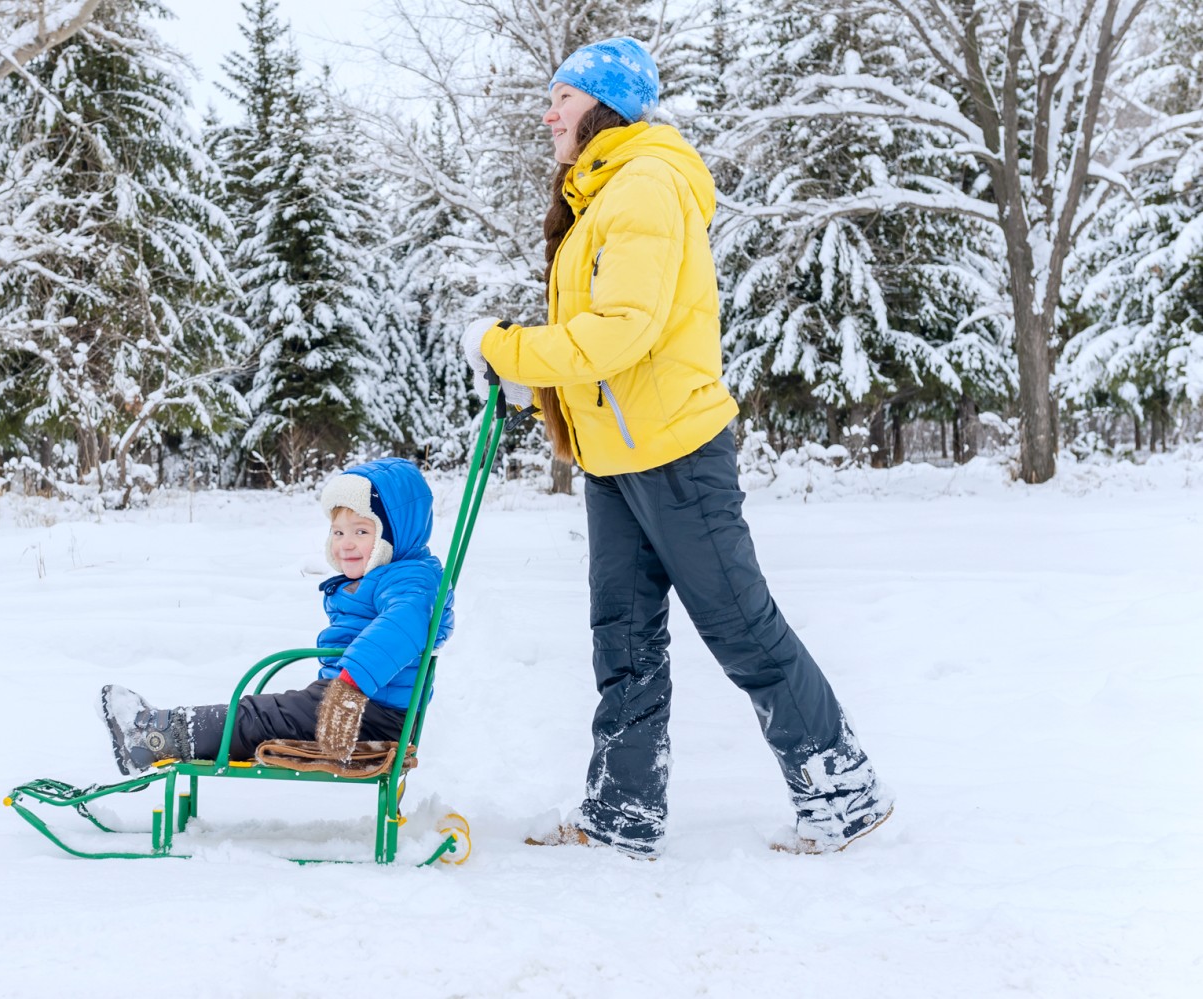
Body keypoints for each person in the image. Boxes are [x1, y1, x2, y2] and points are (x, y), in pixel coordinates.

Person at [462, 36, 892, 857]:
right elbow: (598, 332)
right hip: (614, 457)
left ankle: (841, 788)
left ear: (602, 105)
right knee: (620, 637)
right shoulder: (603, 191)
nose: (547, 111)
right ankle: (623, 810)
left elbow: (620, 333)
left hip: (676, 453)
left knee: (739, 624)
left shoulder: (647, 186)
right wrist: (534, 371)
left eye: (561, 96)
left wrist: (506, 348)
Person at [99, 457, 453, 773]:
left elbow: (403, 627)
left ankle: (154, 735)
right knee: (264, 716)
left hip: (369, 711)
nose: (345, 543)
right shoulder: (395, 576)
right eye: (338, 532)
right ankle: (162, 731)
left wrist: (349, 688)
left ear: (397, 534)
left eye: (361, 531)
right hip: (356, 702)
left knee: (258, 717)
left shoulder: (412, 580)